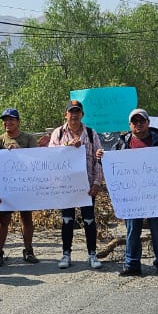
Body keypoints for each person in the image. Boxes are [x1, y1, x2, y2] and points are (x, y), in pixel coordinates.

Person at [115, 108, 158, 278]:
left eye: (142, 121)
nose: (138, 124)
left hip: (156, 195)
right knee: (132, 230)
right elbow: (109, 163)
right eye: (135, 121)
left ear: (148, 123)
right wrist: (100, 157)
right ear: (130, 125)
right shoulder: (121, 144)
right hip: (132, 196)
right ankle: (132, 264)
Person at [48, 101, 104, 270]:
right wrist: (67, 146)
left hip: (87, 187)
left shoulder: (90, 133)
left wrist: (96, 183)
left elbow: (98, 159)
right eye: (70, 112)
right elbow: (50, 156)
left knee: (89, 220)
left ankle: (92, 254)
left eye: (77, 111)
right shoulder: (58, 134)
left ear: (82, 114)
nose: (74, 115)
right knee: (67, 220)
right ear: (65, 114)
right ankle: (66, 254)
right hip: (66, 187)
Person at [0, 108, 41, 265]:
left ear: (18, 121)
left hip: (25, 187)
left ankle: (28, 250)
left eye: (11, 119)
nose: (8, 122)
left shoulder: (29, 139)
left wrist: (21, 152)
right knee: (4, 220)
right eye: (5, 120)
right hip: (6, 189)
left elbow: (37, 161)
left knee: (26, 218)